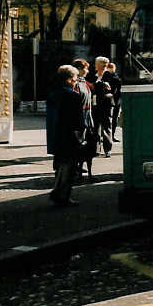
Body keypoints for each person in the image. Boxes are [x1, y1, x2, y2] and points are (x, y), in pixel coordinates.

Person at [46, 65, 84, 206]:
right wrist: (81, 134)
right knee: (70, 167)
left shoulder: (53, 94)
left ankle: (58, 192)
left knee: (61, 165)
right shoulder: (73, 96)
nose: (76, 81)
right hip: (70, 136)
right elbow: (78, 120)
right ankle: (63, 195)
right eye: (75, 79)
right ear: (68, 80)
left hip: (56, 136)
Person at [71, 58, 96, 178]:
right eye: (86, 68)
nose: (87, 70)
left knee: (86, 145)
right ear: (79, 69)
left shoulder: (84, 82)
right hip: (80, 117)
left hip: (87, 116)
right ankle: (76, 169)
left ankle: (80, 169)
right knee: (79, 144)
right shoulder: (75, 83)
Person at [92, 56, 116, 158]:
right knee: (95, 127)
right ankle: (96, 149)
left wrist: (110, 94)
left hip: (106, 105)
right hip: (95, 104)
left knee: (106, 127)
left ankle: (107, 150)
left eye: (96, 64)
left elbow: (116, 90)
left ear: (100, 65)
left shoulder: (111, 76)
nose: (95, 66)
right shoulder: (92, 75)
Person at [107, 62, 122, 142]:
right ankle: (111, 136)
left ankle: (111, 135)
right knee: (112, 118)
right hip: (113, 99)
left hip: (115, 99)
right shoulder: (114, 76)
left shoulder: (114, 76)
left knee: (114, 118)